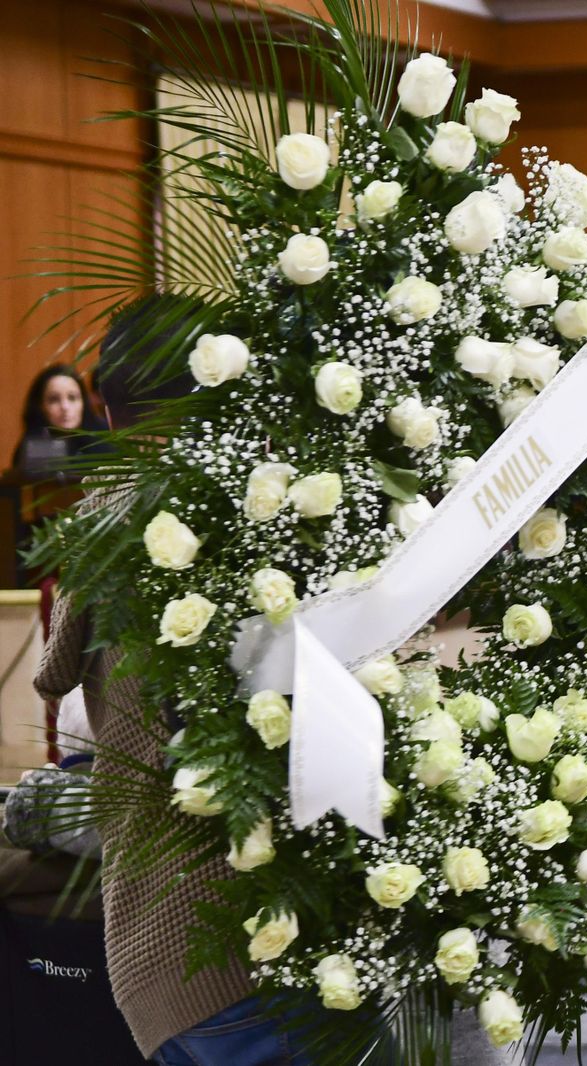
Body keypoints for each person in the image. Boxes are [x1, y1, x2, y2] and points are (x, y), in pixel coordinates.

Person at [33, 298, 285, 1065]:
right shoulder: (279, 509)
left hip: (164, 942)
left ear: (108, 408)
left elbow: (53, 677)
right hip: (289, 936)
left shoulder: (106, 519)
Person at [11, 364, 98, 478]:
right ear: (41, 406)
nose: (65, 407)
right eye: (54, 400)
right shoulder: (33, 448)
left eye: (72, 398)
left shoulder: (102, 442)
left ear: (83, 403)